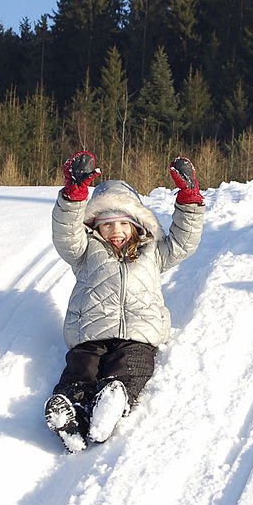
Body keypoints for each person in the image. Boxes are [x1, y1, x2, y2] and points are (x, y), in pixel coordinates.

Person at [44, 151, 205, 453]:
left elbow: (184, 242)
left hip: (138, 333)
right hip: (90, 332)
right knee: (81, 369)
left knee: (132, 365)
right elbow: (65, 234)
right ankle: (70, 412)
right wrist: (74, 195)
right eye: (107, 225)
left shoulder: (154, 251)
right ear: (96, 228)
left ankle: (113, 400)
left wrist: (188, 198)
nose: (115, 231)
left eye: (122, 224)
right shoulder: (85, 251)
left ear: (136, 225)